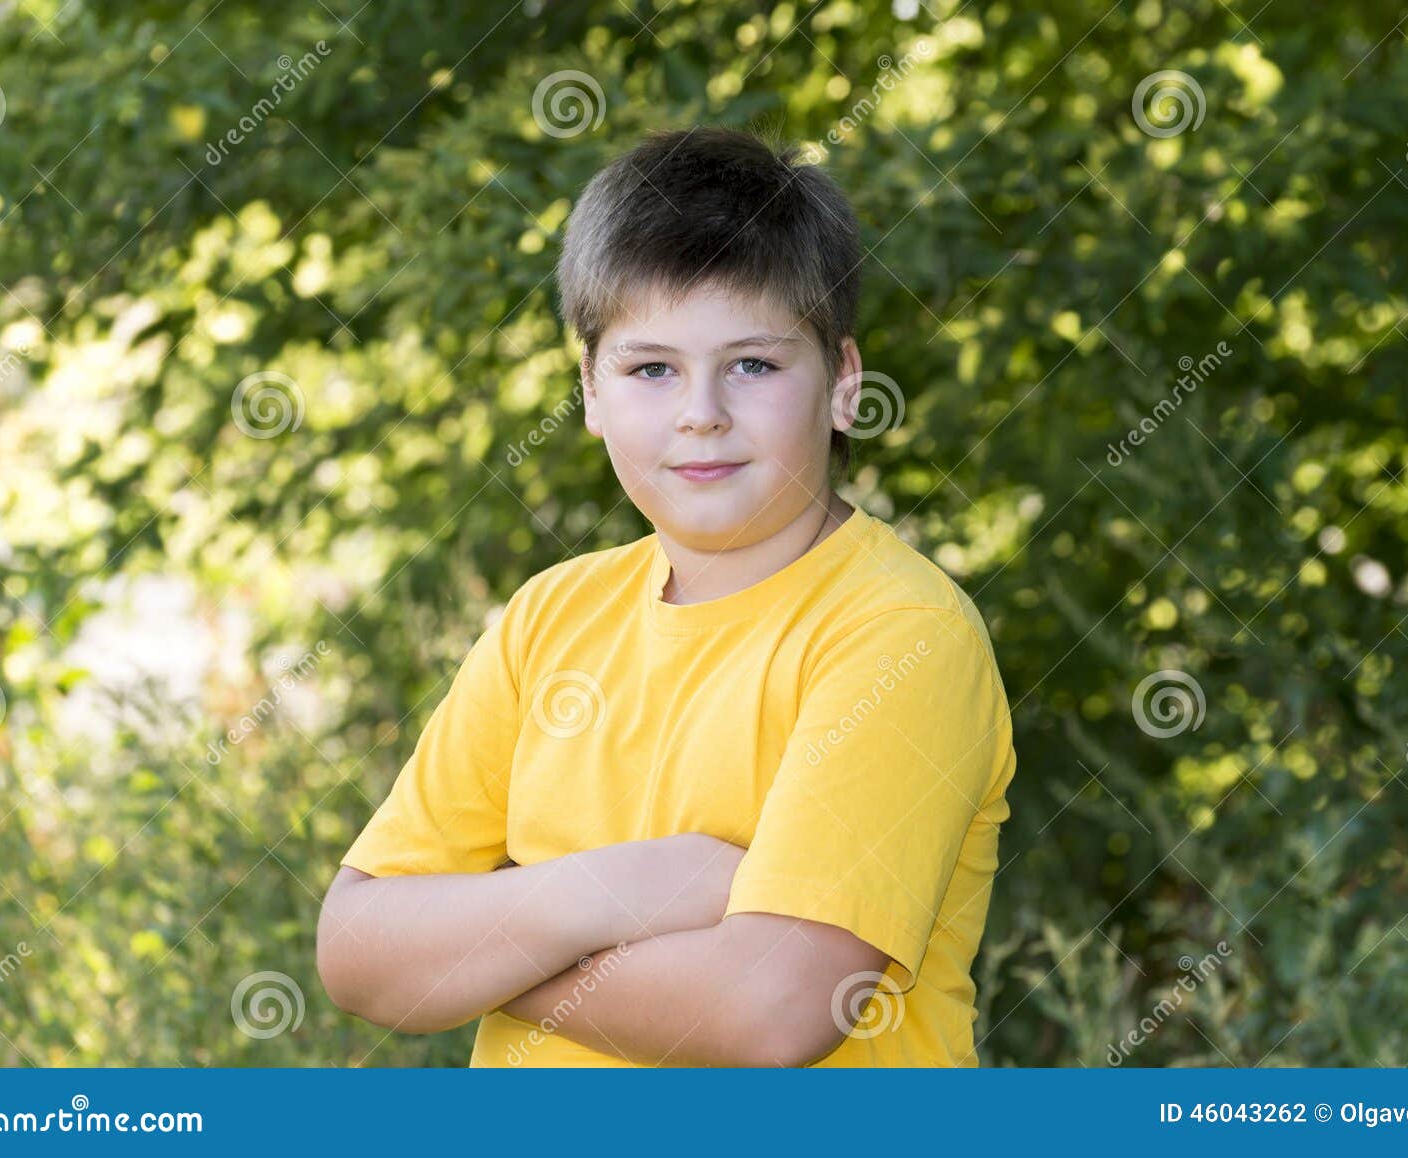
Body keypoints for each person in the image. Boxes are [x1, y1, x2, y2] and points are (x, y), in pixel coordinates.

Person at [316, 125, 1017, 1067]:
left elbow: (768, 1010)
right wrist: (620, 891)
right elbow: (355, 952)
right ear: (592, 393)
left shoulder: (898, 635)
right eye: (652, 368)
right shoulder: (550, 617)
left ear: (845, 384)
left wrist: (475, 954)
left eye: (754, 365)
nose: (701, 412)